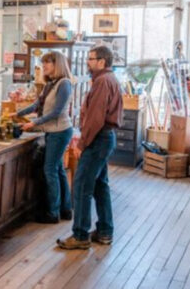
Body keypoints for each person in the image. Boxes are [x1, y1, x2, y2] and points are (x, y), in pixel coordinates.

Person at [57, 45, 123, 250]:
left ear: (102, 62)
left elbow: (95, 118)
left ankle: (80, 235)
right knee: (100, 185)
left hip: (97, 140)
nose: (88, 62)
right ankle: (104, 231)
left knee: (82, 186)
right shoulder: (109, 79)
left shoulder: (102, 81)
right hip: (104, 138)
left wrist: (82, 143)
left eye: (91, 59)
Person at [17, 52, 74, 224]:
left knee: (50, 170)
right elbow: (37, 105)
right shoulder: (50, 84)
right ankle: (65, 209)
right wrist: (18, 113)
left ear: (58, 64)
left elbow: (56, 112)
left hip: (60, 131)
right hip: (53, 131)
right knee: (57, 170)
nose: (45, 67)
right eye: (43, 64)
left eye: (48, 63)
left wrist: (34, 123)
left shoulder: (64, 84)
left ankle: (52, 213)